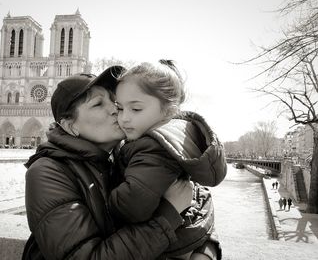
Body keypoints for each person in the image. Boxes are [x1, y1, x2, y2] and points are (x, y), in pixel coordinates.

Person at [22, 66, 216, 260]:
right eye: (98, 104)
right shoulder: (47, 172)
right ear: (70, 126)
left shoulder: (131, 152)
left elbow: (196, 196)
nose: (115, 109)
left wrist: (207, 252)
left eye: (114, 101)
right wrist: (168, 216)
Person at [109, 60, 227, 260]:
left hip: (168, 245)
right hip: (183, 239)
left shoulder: (152, 148)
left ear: (168, 111)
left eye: (135, 109)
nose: (124, 118)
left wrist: (107, 198)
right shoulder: (176, 139)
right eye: (120, 108)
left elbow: (132, 207)